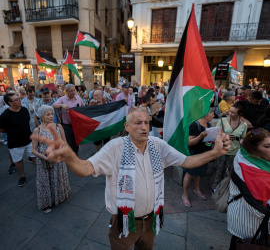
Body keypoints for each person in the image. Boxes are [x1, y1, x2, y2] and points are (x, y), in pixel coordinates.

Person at [31, 107, 231, 250]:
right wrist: (70, 157)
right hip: (123, 222)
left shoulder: (157, 145)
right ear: (127, 126)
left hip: (152, 220)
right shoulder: (114, 148)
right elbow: (84, 169)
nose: (144, 127)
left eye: (146, 122)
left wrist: (215, 153)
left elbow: (187, 161)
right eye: (138, 123)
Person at [227, 129, 270, 250]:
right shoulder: (252, 171)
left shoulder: (244, 155)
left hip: (240, 219)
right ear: (253, 149)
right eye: (267, 146)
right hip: (250, 225)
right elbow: (259, 209)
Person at [32, 105, 70, 213]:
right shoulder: (37, 130)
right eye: (47, 114)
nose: (51, 116)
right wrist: (45, 157)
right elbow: (33, 150)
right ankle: (46, 203)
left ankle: (59, 196)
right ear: (41, 117)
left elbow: (65, 142)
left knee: (58, 177)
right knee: (45, 181)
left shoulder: (58, 126)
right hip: (45, 160)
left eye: (52, 114)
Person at [0, 93, 36, 187]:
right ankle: (22, 176)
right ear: (10, 103)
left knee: (35, 157)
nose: (20, 100)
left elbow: (27, 121)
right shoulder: (5, 115)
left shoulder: (24, 110)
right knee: (18, 161)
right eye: (16, 100)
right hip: (15, 143)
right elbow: (1, 129)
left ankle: (41, 173)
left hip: (29, 140)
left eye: (19, 98)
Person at [182, 108, 215, 207]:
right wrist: (200, 136)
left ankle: (197, 189)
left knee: (199, 173)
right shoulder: (194, 125)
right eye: (212, 114)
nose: (214, 116)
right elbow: (189, 142)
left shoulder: (208, 125)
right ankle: (185, 195)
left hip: (204, 153)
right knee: (189, 174)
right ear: (206, 115)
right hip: (194, 154)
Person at [211, 103, 247, 193]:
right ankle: (215, 187)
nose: (230, 113)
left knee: (229, 171)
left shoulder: (244, 124)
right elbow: (214, 134)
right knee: (218, 169)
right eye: (230, 111)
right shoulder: (223, 120)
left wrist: (236, 138)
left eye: (233, 112)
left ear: (240, 114)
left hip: (234, 151)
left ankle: (224, 188)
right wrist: (224, 135)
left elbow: (243, 138)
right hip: (221, 150)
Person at [53, 84, 85, 155]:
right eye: (71, 91)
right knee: (69, 144)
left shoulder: (78, 98)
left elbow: (83, 108)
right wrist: (62, 105)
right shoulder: (62, 99)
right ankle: (70, 161)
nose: (73, 92)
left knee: (76, 144)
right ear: (66, 91)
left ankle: (76, 159)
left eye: (74, 90)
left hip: (77, 126)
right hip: (67, 126)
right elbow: (54, 105)